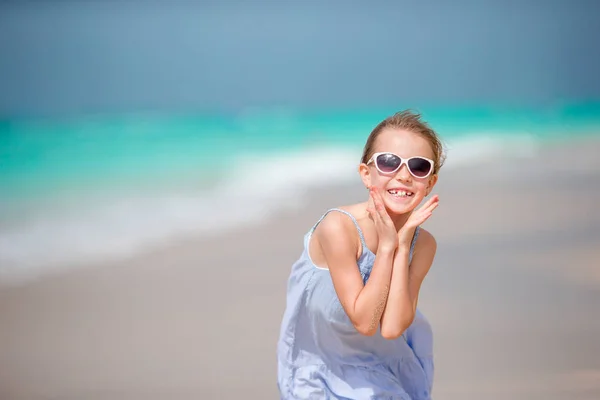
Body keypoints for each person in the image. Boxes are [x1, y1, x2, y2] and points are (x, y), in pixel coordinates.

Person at [276, 110, 445, 399]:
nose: (403, 175)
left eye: (419, 167)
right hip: (319, 372)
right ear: (366, 174)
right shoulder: (338, 228)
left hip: (384, 367)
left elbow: (391, 328)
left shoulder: (423, 244)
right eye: (389, 162)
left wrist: (402, 246)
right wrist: (388, 246)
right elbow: (365, 321)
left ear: (430, 183)